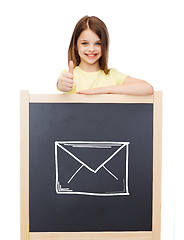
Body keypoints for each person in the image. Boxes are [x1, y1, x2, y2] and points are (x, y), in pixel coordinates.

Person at [57, 16, 153, 95]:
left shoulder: (112, 75)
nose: (91, 49)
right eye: (85, 43)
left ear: (105, 46)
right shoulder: (70, 76)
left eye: (98, 44)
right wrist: (63, 85)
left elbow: (147, 88)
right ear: (75, 46)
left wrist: (104, 90)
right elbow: (62, 84)